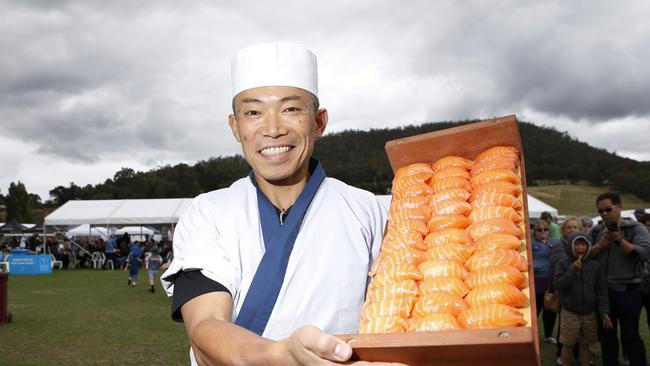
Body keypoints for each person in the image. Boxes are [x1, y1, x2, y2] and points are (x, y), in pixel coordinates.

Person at [160, 42, 391, 366]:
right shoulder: (207, 213)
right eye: (253, 112)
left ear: (319, 122)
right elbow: (205, 328)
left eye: (291, 109)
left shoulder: (369, 211)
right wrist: (280, 355)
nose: (272, 129)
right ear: (235, 127)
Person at [588, 192, 650, 366]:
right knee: (607, 336)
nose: (604, 214)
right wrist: (600, 245)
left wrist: (619, 241)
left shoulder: (635, 228)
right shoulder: (597, 230)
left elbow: (644, 253)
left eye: (608, 209)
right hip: (603, 294)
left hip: (628, 291)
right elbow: (584, 255)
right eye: (600, 211)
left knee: (630, 334)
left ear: (620, 207)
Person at [554, 232, 612, 366]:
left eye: (583, 245)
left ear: (588, 246)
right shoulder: (563, 264)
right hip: (569, 312)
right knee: (567, 344)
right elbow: (558, 286)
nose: (580, 248)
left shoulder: (595, 266)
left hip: (589, 313)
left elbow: (601, 291)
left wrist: (604, 312)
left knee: (585, 345)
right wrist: (572, 271)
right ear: (570, 246)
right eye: (577, 244)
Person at [550, 216, 584, 364]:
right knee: (564, 325)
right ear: (563, 230)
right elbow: (558, 263)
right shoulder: (559, 245)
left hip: (581, 291)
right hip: (565, 289)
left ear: (580, 229)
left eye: (575, 227)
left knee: (580, 324)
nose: (572, 230)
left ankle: (577, 352)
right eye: (569, 227)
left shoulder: (583, 244)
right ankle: (560, 352)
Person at [532, 220, 558, 344]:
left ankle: (548, 335)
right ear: (534, 232)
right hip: (536, 281)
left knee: (550, 310)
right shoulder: (531, 244)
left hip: (551, 281)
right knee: (535, 310)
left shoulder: (554, 243)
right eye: (539, 229)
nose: (543, 232)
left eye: (545, 229)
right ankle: (532, 335)